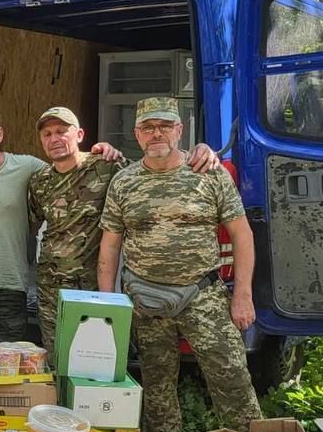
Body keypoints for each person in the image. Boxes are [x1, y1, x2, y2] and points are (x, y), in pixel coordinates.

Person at [97, 97, 261, 432]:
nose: (157, 134)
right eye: (148, 128)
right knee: (156, 386)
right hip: (145, 298)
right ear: (137, 134)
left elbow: (242, 234)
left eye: (165, 126)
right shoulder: (124, 183)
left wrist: (243, 295)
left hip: (202, 295)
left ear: (179, 130)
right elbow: (110, 246)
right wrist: (107, 305)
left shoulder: (208, 172)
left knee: (231, 375)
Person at [28, 106, 218, 355]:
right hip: (51, 286)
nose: (54, 139)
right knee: (58, 355)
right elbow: (33, 224)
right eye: (48, 134)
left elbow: (156, 167)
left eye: (62, 131)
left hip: (94, 285)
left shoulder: (107, 166)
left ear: (80, 135)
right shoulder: (39, 181)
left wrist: (201, 150)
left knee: (96, 357)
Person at [0, 110, 120, 344]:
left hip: (11, 287)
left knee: (8, 365)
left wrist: (103, 151)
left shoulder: (29, 167)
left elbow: (67, 172)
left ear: (0, 134)